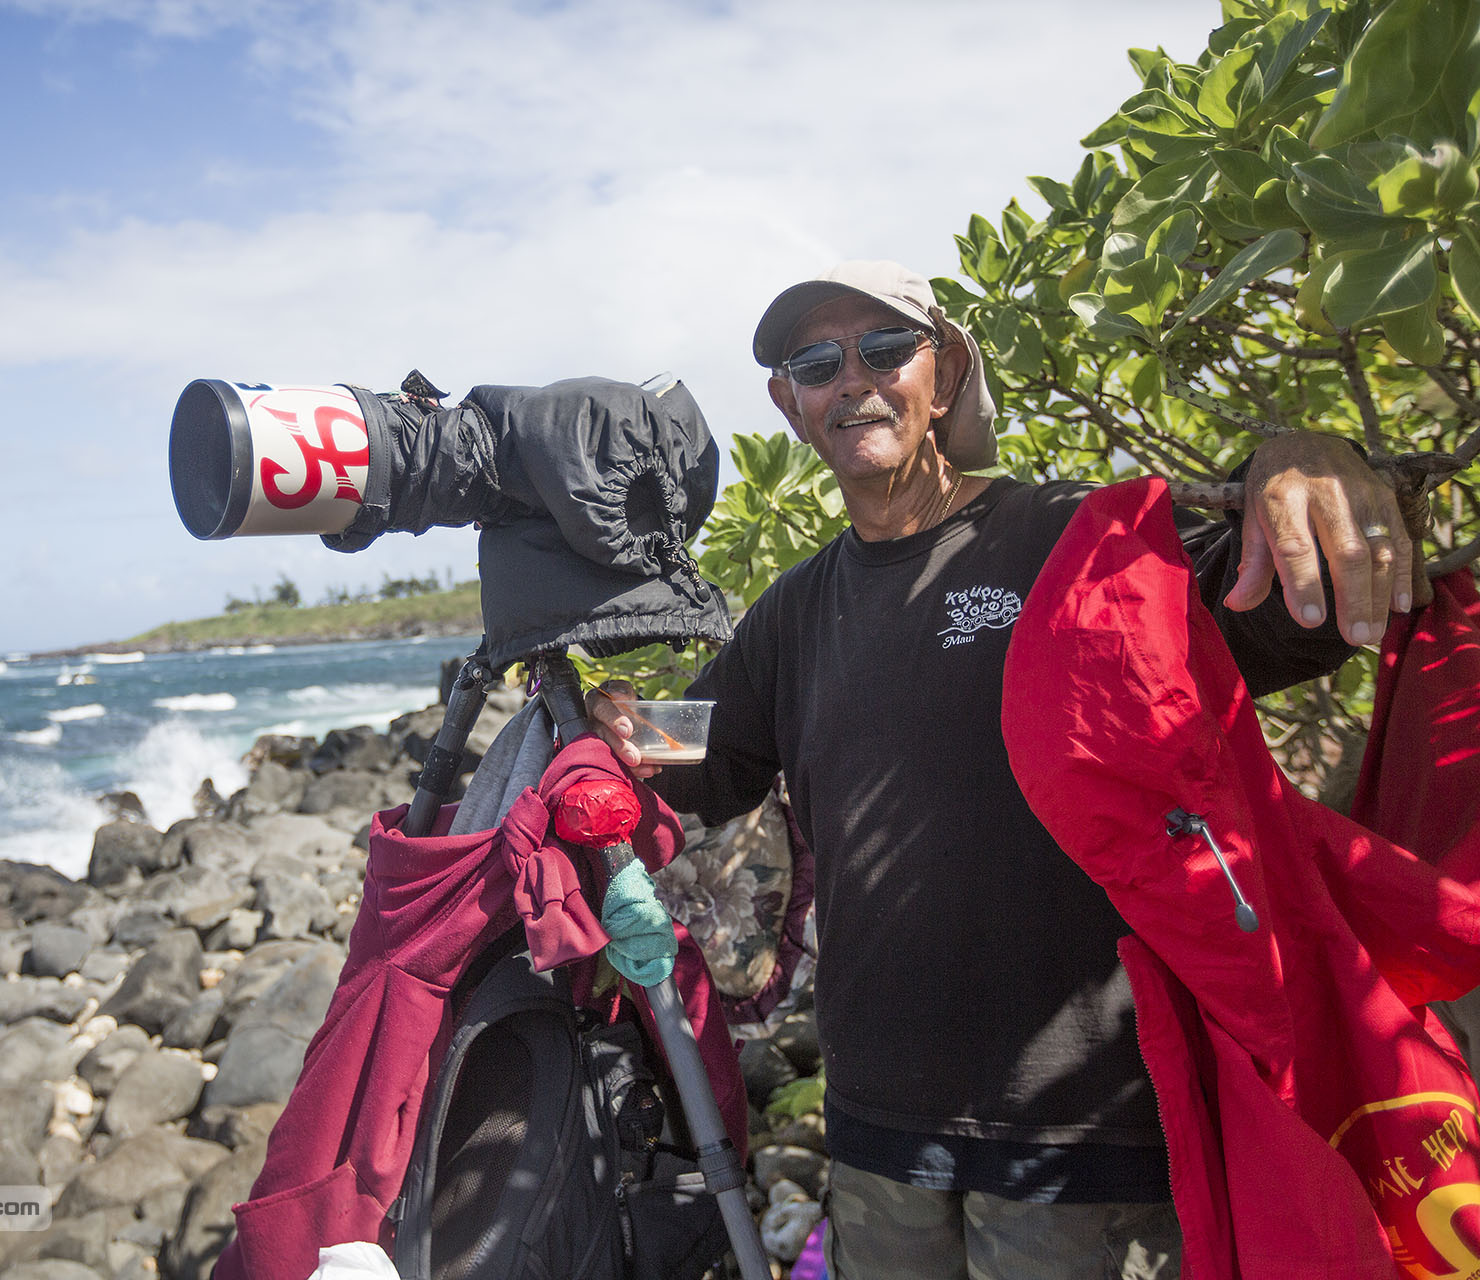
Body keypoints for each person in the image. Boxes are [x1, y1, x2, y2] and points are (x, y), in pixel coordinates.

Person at [585, 261, 1412, 1280]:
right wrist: (614, 722)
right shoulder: (794, 611)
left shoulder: (1072, 534)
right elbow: (703, 756)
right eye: (816, 363)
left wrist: (1302, 461)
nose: (854, 380)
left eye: (886, 349)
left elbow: (1284, 608)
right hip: (878, 1122)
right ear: (789, 404)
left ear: (946, 372)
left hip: (1082, 1132)